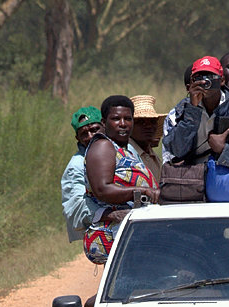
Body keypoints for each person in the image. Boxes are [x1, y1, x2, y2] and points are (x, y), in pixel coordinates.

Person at [82, 95, 160, 264]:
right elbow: (102, 189)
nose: (123, 123)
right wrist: (143, 191)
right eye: (116, 119)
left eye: (128, 119)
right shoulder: (103, 146)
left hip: (129, 231)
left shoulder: (126, 149)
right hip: (112, 232)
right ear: (104, 122)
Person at [162, 55, 229, 166]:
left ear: (222, 80)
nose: (205, 82)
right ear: (191, 83)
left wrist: (224, 150)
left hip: (228, 176)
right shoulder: (180, 111)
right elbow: (175, 151)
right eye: (199, 78)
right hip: (193, 178)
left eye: (210, 76)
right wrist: (192, 112)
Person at [60, 105, 103, 242]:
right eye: (84, 133)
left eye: (94, 130)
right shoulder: (77, 166)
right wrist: (109, 214)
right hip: (104, 233)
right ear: (77, 138)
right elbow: (76, 206)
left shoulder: (121, 151)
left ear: (104, 127)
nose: (90, 136)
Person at [129, 94, 166, 181]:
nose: (149, 126)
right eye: (141, 122)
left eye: (152, 121)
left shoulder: (153, 156)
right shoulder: (126, 154)